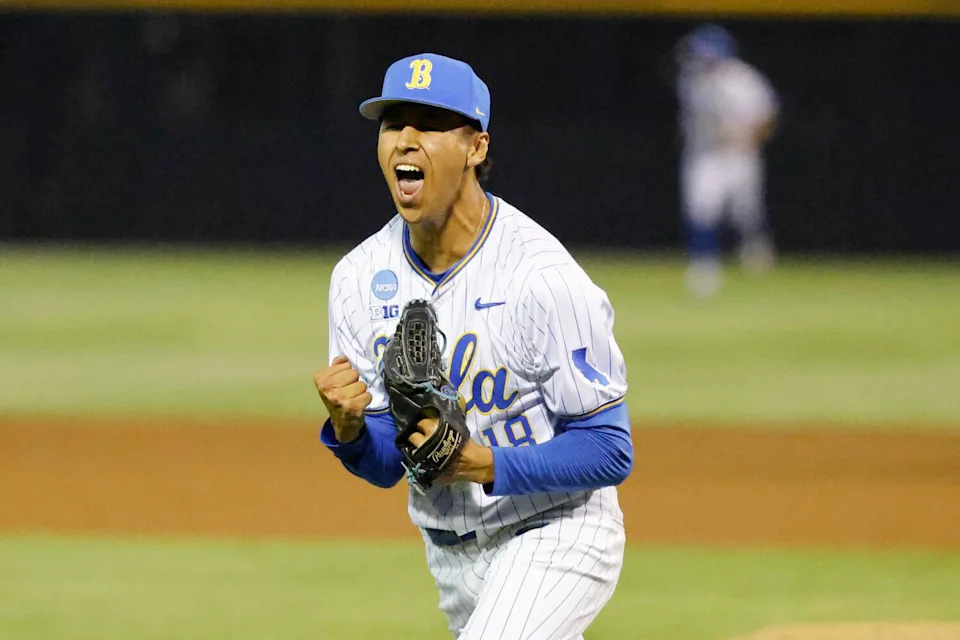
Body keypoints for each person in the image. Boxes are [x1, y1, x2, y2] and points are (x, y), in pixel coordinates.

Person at [313, 53, 633, 639]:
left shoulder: (542, 278)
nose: (406, 140)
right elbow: (391, 466)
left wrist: (484, 464)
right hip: (451, 556)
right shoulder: (359, 278)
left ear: (476, 148)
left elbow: (610, 449)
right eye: (392, 124)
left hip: (557, 531)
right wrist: (354, 428)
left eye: (430, 123)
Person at [675, 24, 780, 297]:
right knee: (701, 209)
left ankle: (755, 251)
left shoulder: (744, 80)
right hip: (704, 155)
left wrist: (748, 137)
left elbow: (767, 115)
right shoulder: (691, 80)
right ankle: (704, 268)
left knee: (746, 212)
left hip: (738, 154)